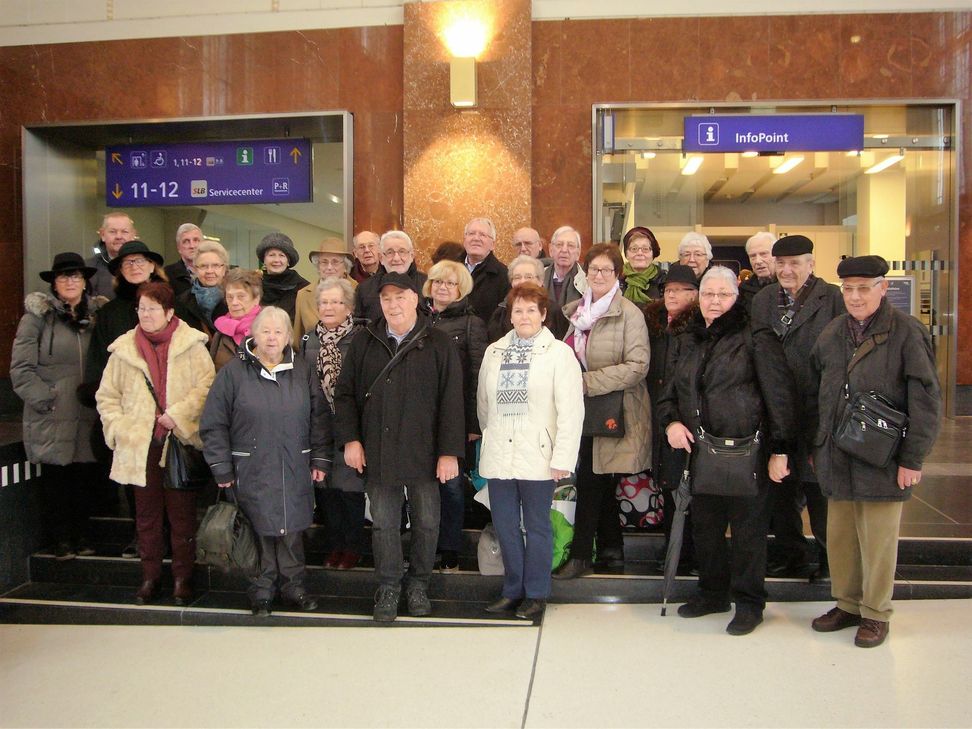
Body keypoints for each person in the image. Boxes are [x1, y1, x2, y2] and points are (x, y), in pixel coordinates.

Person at [809, 255, 941, 648]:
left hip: (883, 456)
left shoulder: (906, 333)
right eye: (848, 289)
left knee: (879, 540)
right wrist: (819, 443)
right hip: (838, 452)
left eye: (864, 288)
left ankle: (875, 613)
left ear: (884, 289)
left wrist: (912, 458)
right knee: (841, 537)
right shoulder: (832, 333)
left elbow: (926, 400)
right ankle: (848, 604)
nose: (855, 296)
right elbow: (819, 391)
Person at [658, 266, 797, 636]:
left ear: (736, 297)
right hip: (700, 454)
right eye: (708, 294)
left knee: (749, 532)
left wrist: (781, 449)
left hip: (748, 454)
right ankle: (712, 593)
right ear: (699, 297)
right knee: (706, 529)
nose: (714, 301)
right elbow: (669, 392)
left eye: (723, 294)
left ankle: (750, 603)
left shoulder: (756, 335)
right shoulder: (687, 337)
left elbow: (779, 395)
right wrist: (671, 423)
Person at [333, 272, 465, 622]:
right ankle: (389, 586)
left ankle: (419, 584)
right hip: (378, 448)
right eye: (386, 299)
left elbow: (452, 399)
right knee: (384, 524)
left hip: (425, 450)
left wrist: (449, 452)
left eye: (400, 297)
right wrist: (351, 439)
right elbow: (344, 394)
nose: (393, 305)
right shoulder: (364, 341)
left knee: (427, 521)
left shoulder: (437, 341)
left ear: (414, 299)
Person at [200, 306, 330, 616]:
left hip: (293, 464)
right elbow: (213, 423)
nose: (272, 338)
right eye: (266, 331)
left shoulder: (303, 370)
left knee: (291, 528)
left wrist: (320, 459)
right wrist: (221, 467)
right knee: (257, 529)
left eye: (279, 332)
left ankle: (294, 587)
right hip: (250, 466)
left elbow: (320, 418)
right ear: (253, 334)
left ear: (288, 337)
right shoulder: (233, 372)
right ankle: (261, 590)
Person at [96, 282, 215, 606]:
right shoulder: (123, 349)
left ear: (169, 312)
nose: (146, 315)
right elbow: (107, 397)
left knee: (181, 518)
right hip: (139, 446)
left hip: (177, 443)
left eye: (152, 309)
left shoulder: (192, 345)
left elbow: (207, 387)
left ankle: (182, 578)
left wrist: (177, 415)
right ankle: (150, 577)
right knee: (146, 517)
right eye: (141, 309)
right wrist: (121, 428)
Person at [477, 283, 584, 619]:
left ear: (543, 314)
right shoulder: (493, 351)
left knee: (537, 526)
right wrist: (492, 435)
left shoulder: (559, 354)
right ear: (510, 315)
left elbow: (571, 411)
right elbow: (484, 405)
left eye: (530, 310)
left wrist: (562, 458)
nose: (523, 316)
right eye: (517, 310)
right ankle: (512, 590)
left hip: (540, 456)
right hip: (499, 455)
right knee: (505, 525)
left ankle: (536, 594)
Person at [554, 243, 651, 579]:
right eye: (592, 269)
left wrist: (587, 382)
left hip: (614, 409)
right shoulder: (575, 313)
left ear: (617, 275)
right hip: (581, 410)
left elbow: (638, 366)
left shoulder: (629, 313)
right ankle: (612, 548)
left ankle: (581, 555)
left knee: (592, 480)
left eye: (605, 270)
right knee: (600, 479)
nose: (598, 275)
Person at [751, 235, 844, 580]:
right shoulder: (762, 301)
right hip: (775, 411)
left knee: (819, 491)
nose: (787, 270)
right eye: (782, 263)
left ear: (811, 263)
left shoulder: (832, 298)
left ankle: (831, 561)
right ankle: (791, 553)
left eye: (795, 262)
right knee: (781, 490)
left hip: (818, 409)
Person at [11, 253, 106, 560]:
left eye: (76, 276)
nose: (70, 282)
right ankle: (61, 539)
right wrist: (46, 400)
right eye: (64, 277)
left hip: (87, 413)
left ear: (85, 281)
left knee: (84, 478)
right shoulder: (36, 319)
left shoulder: (95, 316)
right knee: (57, 481)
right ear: (53, 282)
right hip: (52, 414)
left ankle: (82, 535)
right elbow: (21, 369)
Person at [422, 260, 489, 572]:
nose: (442, 288)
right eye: (437, 282)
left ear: (461, 288)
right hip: (420, 420)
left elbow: (478, 375)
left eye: (449, 283)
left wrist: (474, 424)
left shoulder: (472, 324)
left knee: (450, 486)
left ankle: (449, 547)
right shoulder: (419, 319)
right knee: (423, 486)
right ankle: (425, 546)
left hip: (456, 418)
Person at [298, 277, 367, 571]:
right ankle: (334, 545)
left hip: (351, 422)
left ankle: (352, 547)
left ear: (348, 306)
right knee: (325, 487)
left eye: (336, 302)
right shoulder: (308, 340)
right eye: (324, 302)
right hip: (318, 423)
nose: (329, 307)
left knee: (349, 488)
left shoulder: (362, 337)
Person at [642, 264, 699, 571]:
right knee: (667, 482)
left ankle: (687, 555)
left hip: (687, 418)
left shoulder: (698, 326)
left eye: (682, 290)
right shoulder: (654, 323)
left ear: (695, 294)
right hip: (659, 413)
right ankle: (672, 550)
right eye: (669, 290)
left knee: (686, 488)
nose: (674, 295)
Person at [353, 230, 427, 323]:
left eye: (402, 251)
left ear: (411, 255)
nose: (396, 258)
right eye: (390, 252)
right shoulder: (364, 289)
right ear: (381, 258)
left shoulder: (428, 285)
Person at [293, 237, 355, 345]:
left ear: (345, 266)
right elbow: (297, 340)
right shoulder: (303, 295)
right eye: (324, 262)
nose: (329, 267)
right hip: (311, 358)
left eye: (335, 262)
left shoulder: (358, 291)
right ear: (318, 266)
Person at [210, 268, 263, 371]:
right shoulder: (220, 334)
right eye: (229, 297)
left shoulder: (270, 328)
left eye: (241, 296)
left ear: (256, 299)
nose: (234, 302)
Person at [462, 217, 511, 324]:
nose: (476, 238)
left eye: (482, 235)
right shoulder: (451, 269)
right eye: (471, 233)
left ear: (492, 245)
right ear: (464, 240)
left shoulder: (504, 275)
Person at [487, 255, 546, 342]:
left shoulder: (554, 311)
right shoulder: (500, 314)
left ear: (540, 281)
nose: (522, 281)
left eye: (528, 277)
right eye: (517, 277)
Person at [177, 240, 229, 337]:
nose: (209, 271)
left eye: (215, 265)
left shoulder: (235, 299)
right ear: (195, 270)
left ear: (224, 269)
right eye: (203, 266)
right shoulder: (182, 301)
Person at [256, 232, 309, 321]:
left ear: (288, 261)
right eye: (271, 255)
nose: (277, 260)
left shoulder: (304, 288)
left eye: (282, 255)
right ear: (264, 259)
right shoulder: (253, 285)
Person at [86, 212, 137, 298]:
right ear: (102, 235)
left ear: (133, 235)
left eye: (125, 232)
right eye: (113, 232)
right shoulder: (88, 269)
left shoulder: (145, 267)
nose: (119, 236)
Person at [543, 225, 587, 311]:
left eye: (570, 246)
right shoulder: (538, 278)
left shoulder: (588, 280)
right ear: (551, 250)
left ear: (578, 253)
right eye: (559, 245)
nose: (564, 250)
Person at [620, 226, 666, 304]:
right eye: (634, 249)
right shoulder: (617, 279)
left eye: (645, 249)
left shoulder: (663, 280)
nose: (640, 253)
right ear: (626, 254)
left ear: (653, 253)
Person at [738, 232, 777, 313]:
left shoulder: (789, 286)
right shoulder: (744, 289)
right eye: (752, 256)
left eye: (763, 254)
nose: (758, 261)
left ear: (776, 256)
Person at [164, 223, 204, 297]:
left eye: (196, 240)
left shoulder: (214, 272)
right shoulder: (166, 275)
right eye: (186, 241)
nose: (192, 246)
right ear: (179, 248)